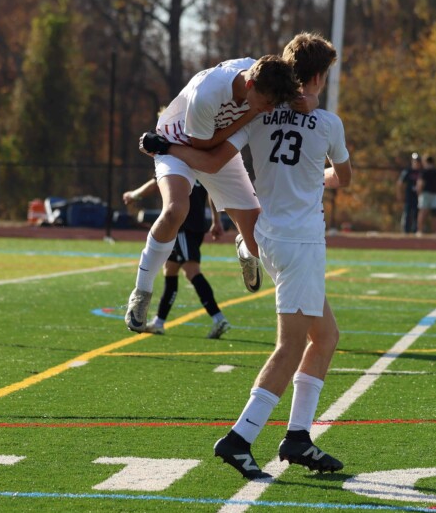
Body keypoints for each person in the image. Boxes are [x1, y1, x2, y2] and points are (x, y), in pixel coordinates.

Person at [142, 32, 351, 480]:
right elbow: (344, 178)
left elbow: (213, 160)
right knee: (291, 346)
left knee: (326, 337)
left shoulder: (259, 118)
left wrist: (166, 147)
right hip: (300, 243)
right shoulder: (328, 123)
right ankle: (240, 438)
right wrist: (318, 173)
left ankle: (298, 438)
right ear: (317, 76)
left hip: (269, 238)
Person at [122, 55, 302, 333]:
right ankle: (142, 292)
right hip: (177, 144)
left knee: (259, 242)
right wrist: (249, 116)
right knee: (175, 210)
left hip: (211, 149)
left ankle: (245, 247)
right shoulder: (208, 93)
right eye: (267, 103)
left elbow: (301, 101)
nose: (269, 110)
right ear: (250, 83)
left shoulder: (262, 78)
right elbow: (204, 150)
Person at [122, 179, 230, 339]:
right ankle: (159, 322)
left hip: (183, 225)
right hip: (194, 224)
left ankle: (218, 318)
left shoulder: (176, 156)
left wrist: (134, 195)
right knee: (170, 269)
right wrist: (216, 220)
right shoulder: (201, 158)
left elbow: (155, 182)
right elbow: (213, 190)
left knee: (191, 271)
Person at [415, 155, 436, 235]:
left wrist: (419, 193)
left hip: (425, 194)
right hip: (434, 194)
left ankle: (419, 231)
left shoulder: (424, 172)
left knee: (423, 212)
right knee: (434, 214)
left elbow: (420, 183)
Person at [395, 152, 421, 234]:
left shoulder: (421, 172)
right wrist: (400, 194)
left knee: (417, 214)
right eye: (414, 161)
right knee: (407, 213)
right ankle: (406, 231)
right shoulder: (408, 171)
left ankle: (415, 231)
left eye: (417, 161)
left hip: (418, 196)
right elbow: (400, 183)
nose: (416, 162)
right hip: (409, 196)